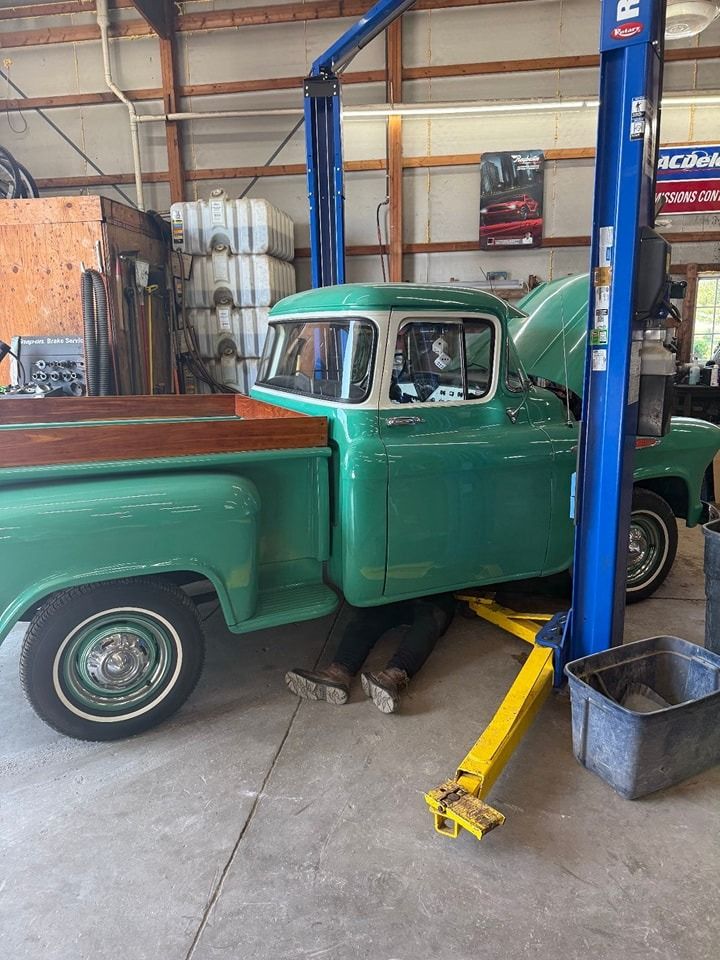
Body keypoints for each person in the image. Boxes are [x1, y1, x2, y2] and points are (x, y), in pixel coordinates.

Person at [285, 594, 456, 714]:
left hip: (435, 592)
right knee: (370, 615)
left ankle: (392, 677)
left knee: (430, 620)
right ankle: (338, 674)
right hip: (397, 589)